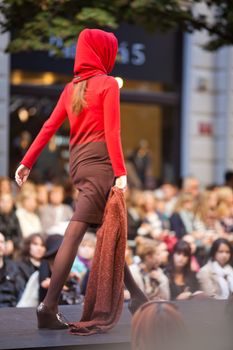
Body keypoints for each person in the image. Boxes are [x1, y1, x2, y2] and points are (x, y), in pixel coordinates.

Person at [15, 28, 148, 329]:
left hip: (78, 163)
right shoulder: (107, 85)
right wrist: (121, 172)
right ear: (102, 52)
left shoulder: (71, 88)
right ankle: (48, 305)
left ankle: (137, 295)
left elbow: (48, 127)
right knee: (76, 232)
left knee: (108, 230)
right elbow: (113, 132)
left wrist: (26, 162)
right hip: (101, 164)